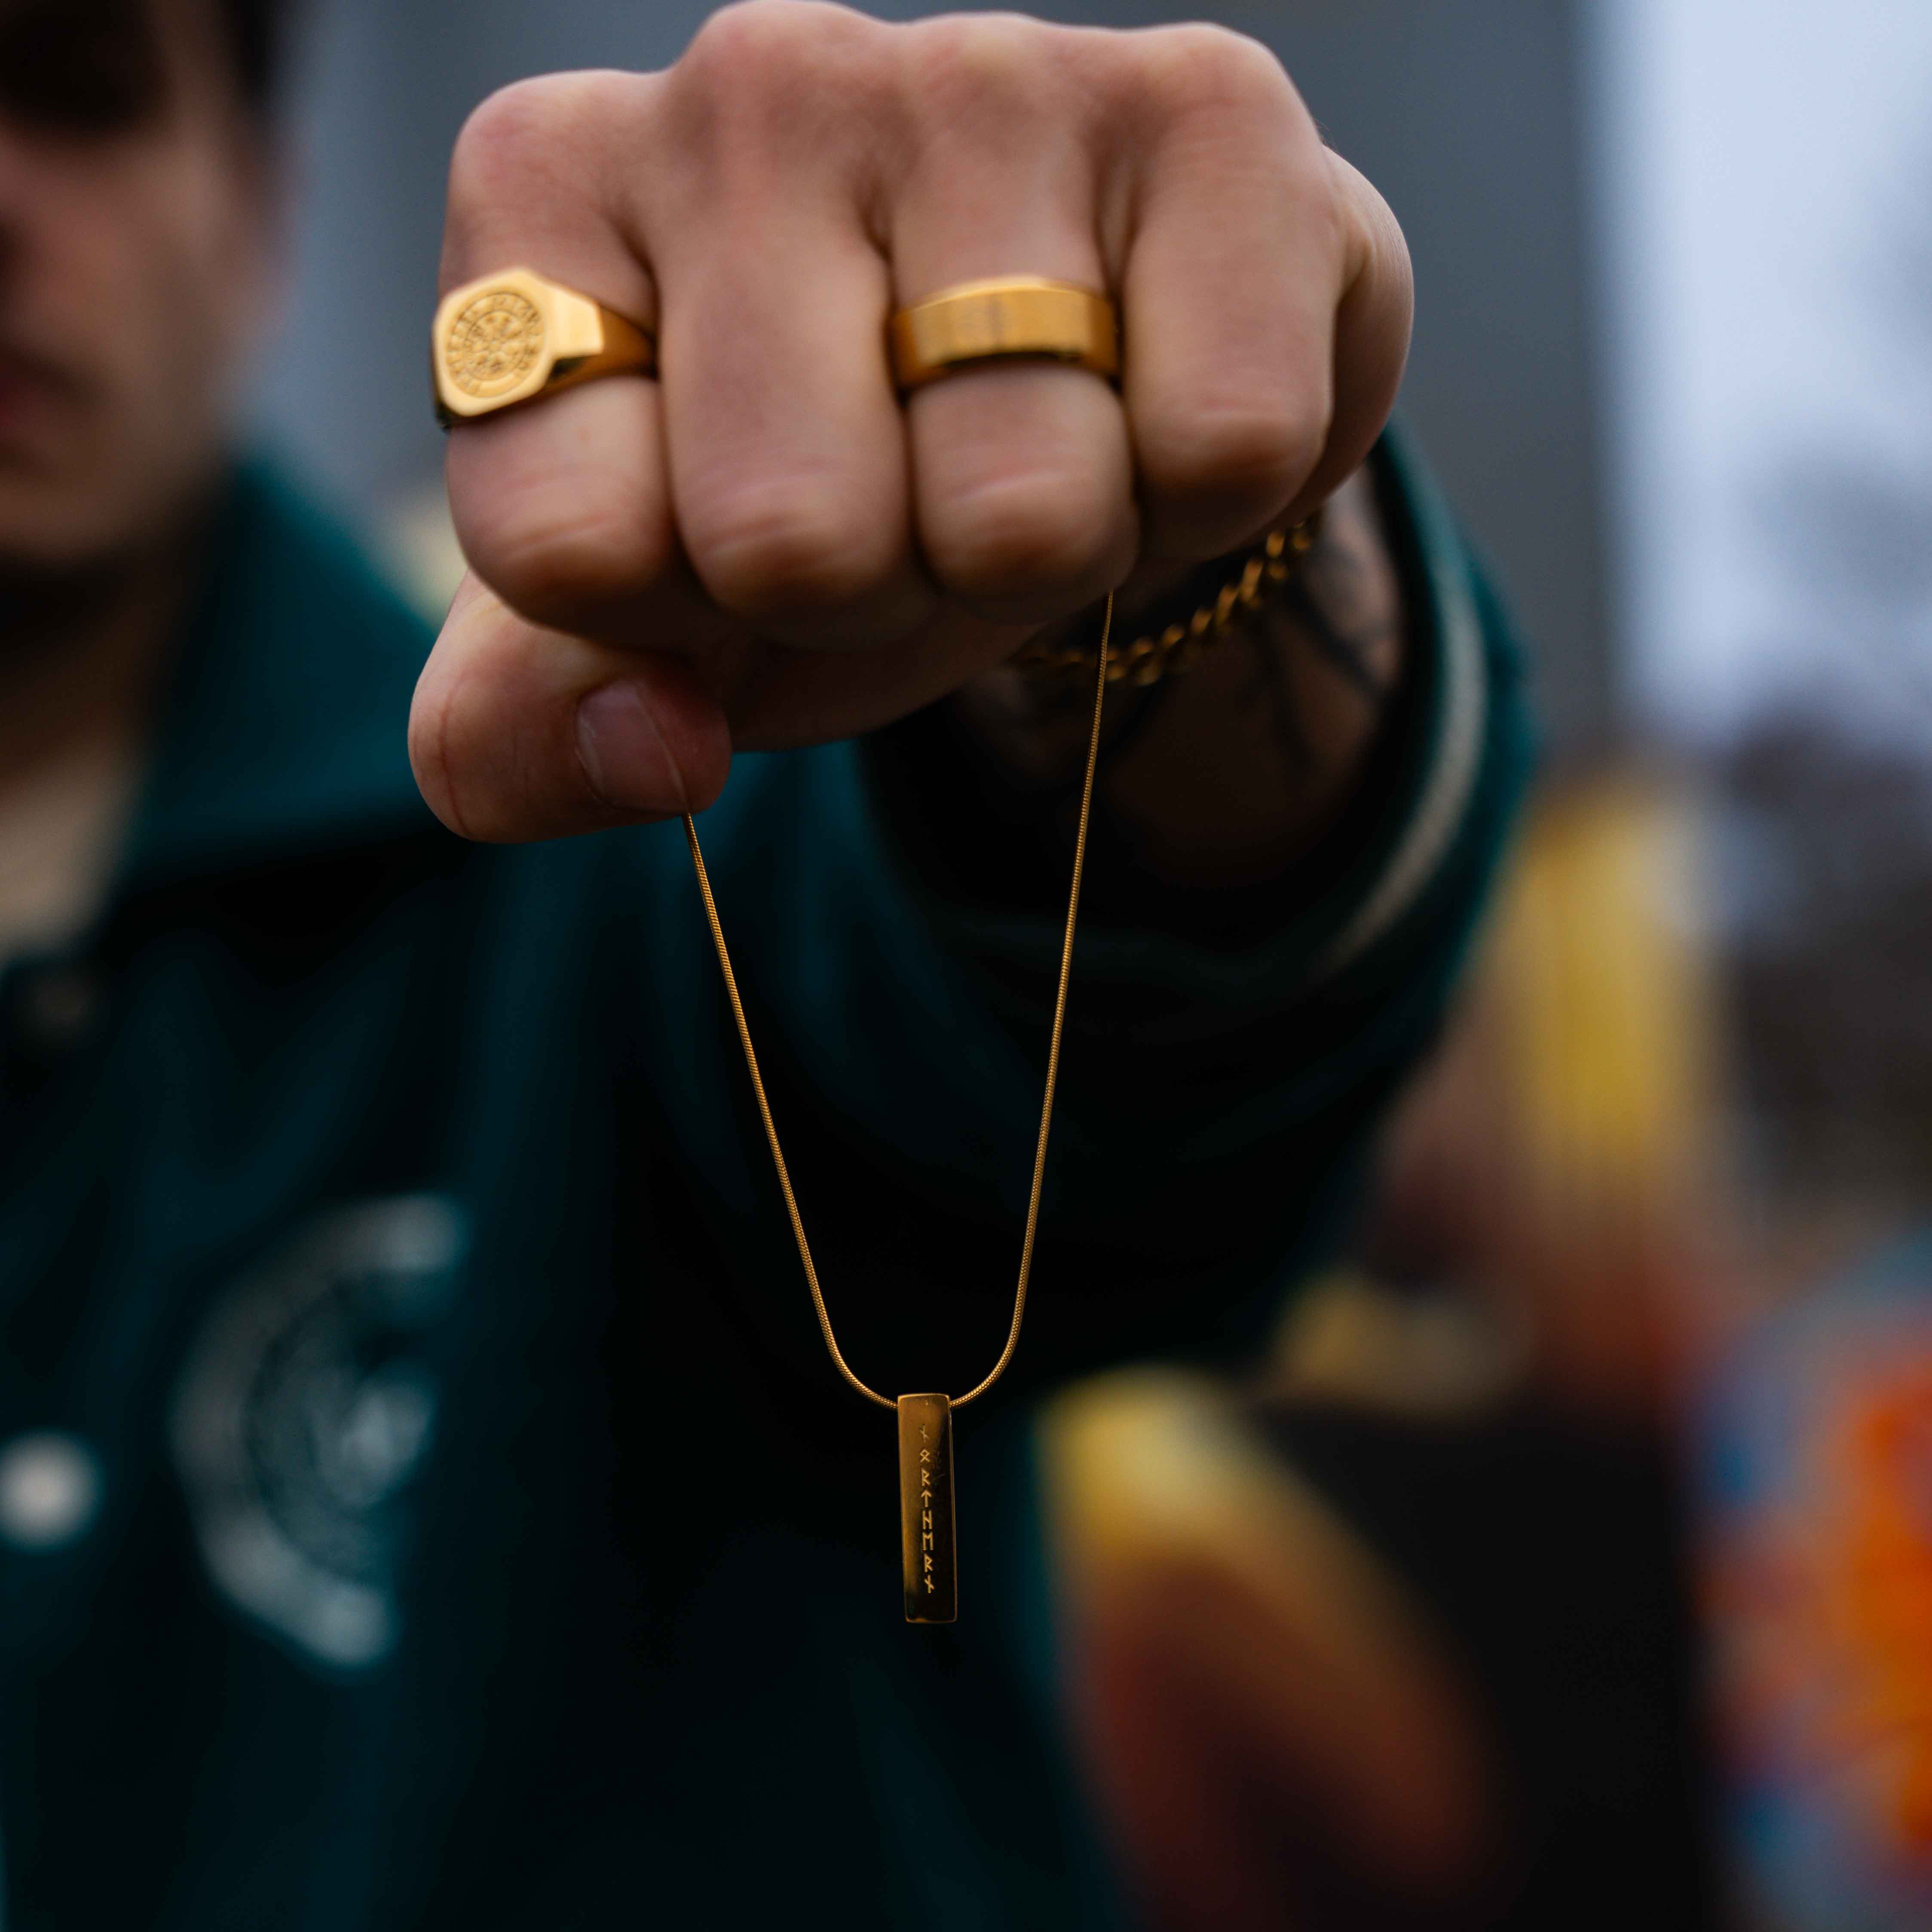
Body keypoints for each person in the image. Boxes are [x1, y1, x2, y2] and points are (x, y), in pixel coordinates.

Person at [0, 0, 1528, 1923]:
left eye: (79, 96)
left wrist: (1162, 565)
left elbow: (1150, 1021)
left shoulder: (623, 765)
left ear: (255, 212)